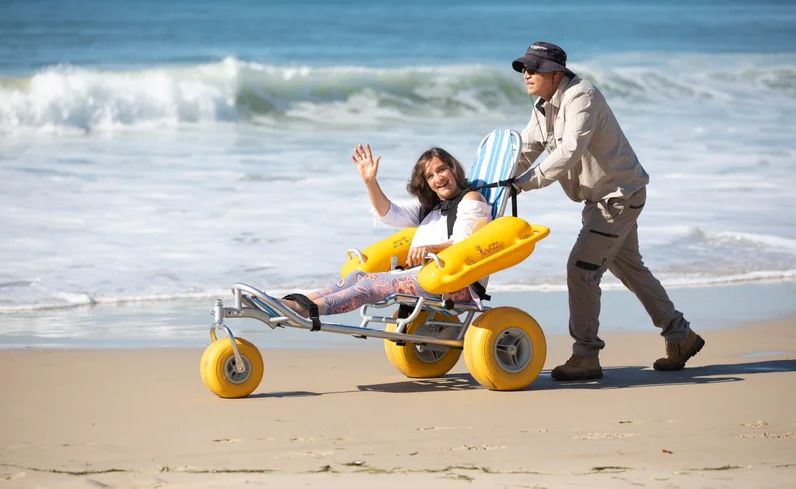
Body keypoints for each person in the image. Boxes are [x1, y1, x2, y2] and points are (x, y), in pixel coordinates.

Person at [510, 42, 705, 380]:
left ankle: (586, 355)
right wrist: (489, 182)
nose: (526, 74)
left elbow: (570, 149)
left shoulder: (581, 97)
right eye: (524, 69)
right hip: (605, 199)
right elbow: (526, 148)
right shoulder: (543, 106)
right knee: (631, 270)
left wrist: (523, 184)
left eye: (534, 68)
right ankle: (680, 335)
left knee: (581, 270)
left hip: (617, 199)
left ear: (555, 73)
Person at [280, 144, 492, 318]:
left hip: (455, 284)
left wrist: (430, 248)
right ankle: (296, 303)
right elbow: (390, 214)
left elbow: (465, 244)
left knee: (372, 284)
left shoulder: (471, 199)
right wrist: (370, 182)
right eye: (430, 176)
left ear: (453, 169)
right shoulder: (430, 207)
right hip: (426, 276)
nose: (438, 178)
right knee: (357, 276)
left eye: (441, 170)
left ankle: (305, 311)